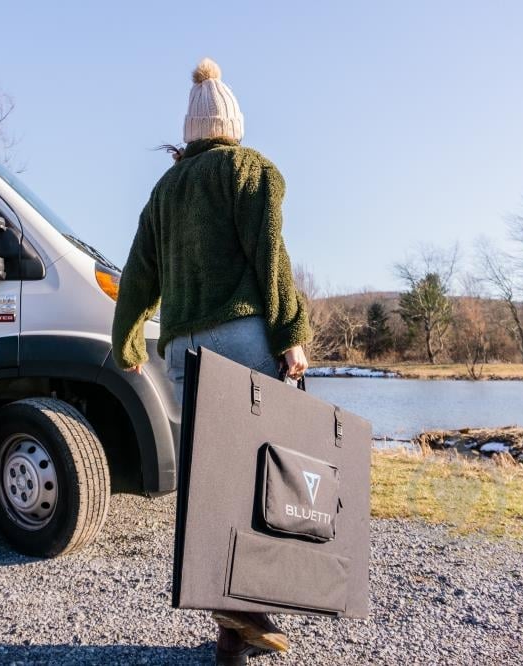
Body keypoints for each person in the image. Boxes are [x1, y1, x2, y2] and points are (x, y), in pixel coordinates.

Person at [111, 58, 310, 665]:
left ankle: (232, 631)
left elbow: (139, 272)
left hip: (184, 351)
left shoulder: (166, 190)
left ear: (192, 130)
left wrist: (125, 341)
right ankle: (246, 610)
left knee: (212, 480)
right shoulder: (250, 171)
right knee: (260, 479)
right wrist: (291, 331)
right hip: (246, 339)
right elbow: (270, 261)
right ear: (233, 126)